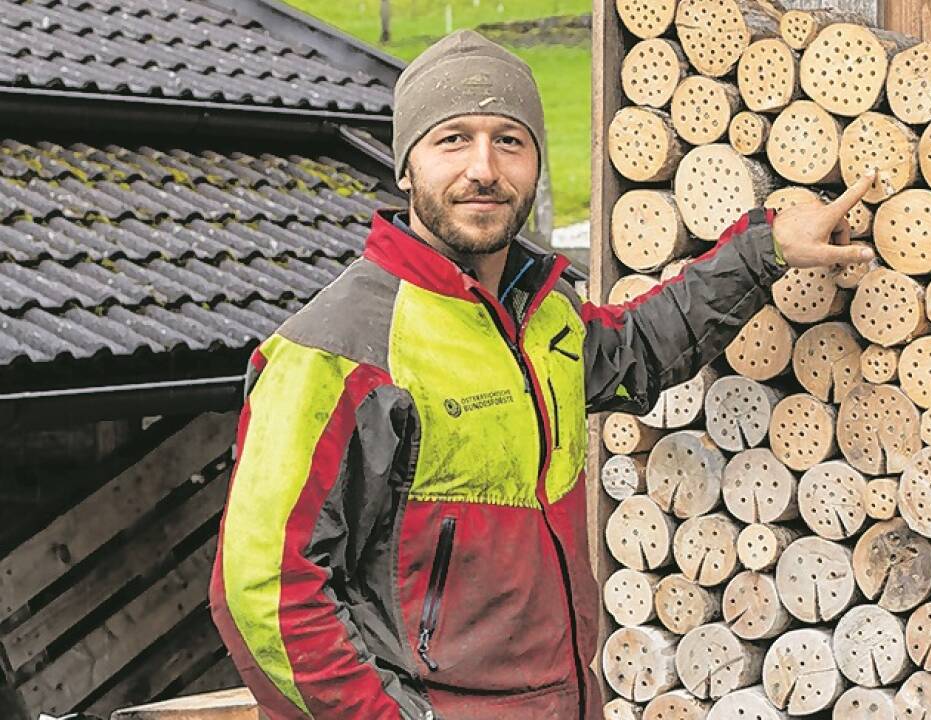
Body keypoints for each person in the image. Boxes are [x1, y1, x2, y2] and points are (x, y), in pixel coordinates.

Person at [209, 29, 874, 720]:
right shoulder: (335, 350)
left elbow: (638, 347)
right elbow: (263, 589)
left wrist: (767, 247)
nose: (484, 168)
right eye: (453, 139)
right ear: (406, 165)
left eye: (509, 140)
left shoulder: (541, 317)